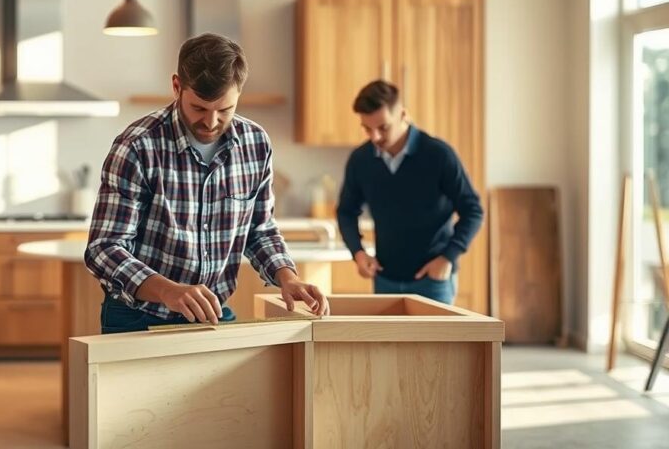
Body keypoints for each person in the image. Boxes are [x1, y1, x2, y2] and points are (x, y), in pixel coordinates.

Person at [85, 33, 328, 334]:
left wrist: (288, 277)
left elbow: (259, 229)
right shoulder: (137, 147)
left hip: (211, 314)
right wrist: (169, 291)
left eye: (225, 110)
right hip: (138, 317)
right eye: (199, 108)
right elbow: (104, 248)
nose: (211, 123)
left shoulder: (255, 144)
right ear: (177, 87)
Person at [336, 80, 483, 305]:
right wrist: (358, 253)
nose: (374, 137)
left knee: (436, 342)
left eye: (383, 127)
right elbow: (346, 211)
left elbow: (473, 210)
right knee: (387, 342)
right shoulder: (360, 160)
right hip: (385, 280)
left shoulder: (439, 155)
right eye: (367, 128)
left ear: (403, 115)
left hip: (434, 281)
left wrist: (448, 257)